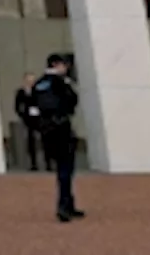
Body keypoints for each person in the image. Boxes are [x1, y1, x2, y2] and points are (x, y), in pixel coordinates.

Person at [32, 54, 85, 223]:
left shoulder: (39, 83)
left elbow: (33, 108)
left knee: (62, 169)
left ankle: (68, 203)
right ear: (56, 65)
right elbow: (72, 101)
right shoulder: (60, 82)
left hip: (48, 131)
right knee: (65, 169)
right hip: (61, 128)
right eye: (63, 64)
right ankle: (64, 205)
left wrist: (40, 127)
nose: (66, 67)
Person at [14, 73, 50, 172]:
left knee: (45, 140)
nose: (31, 82)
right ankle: (33, 164)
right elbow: (17, 106)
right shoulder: (21, 92)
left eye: (32, 80)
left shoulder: (39, 91)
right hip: (28, 119)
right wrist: (23, 115)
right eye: (29, 80)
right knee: (31, 141)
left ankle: (48, 163)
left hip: (40, 118)